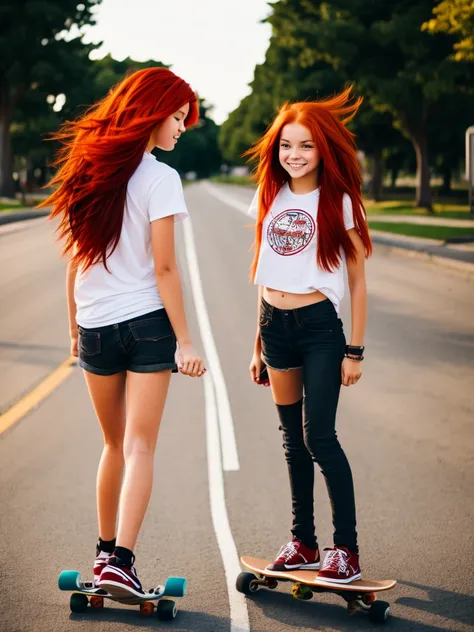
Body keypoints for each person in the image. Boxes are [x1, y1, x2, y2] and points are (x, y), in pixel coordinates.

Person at [40, 67, 205, 598]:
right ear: (152, 112)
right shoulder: (160, 178)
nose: (182, 128)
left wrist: (72, 330)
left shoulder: (89, 166)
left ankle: (103, 554)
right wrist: (186, 340)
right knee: (139, 446)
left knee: (112, 444)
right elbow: (164, 270)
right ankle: (122, 563)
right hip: (146, 325)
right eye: (177, 118)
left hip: (93, 324)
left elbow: (75, 260)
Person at [246, 87, 372, 584]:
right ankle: (303, 542)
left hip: (320, 329)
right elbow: (264, 268)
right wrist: (256, 343)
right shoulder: (268, 195)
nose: (293, 155)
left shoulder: (340, 201)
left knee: (318, 435)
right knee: (290, 442)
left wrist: (354, 350)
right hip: (274, 327)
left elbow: (358, 282)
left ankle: (347, 550)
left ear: (324, 149)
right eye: (285, 146)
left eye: (305, 146)